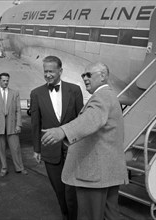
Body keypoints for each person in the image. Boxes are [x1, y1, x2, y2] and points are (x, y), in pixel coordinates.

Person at [41, 62, 129, 220]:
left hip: (94, 174)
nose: (85, 78)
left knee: (89, 215)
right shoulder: (109, 95)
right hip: (107, 171)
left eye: (89, 75)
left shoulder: (102, 96)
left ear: (102, 76)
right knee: (110, 214)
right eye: (83, 75)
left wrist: (63, 130)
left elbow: (91, 119)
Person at [30, 56, 84, 220]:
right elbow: (35, 124)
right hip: (50, 150)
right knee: (59, 191)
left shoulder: (74, 90)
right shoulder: (36, 93)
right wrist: (36, 149)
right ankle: (65, 215)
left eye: (51, 71)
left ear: (60, 71)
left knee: (71, 191)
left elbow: (81, 121)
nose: (47, 75)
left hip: (72, 149)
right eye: (45, 71)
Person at [0, 72, 28, 177]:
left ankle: (20, 167)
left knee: (15, 147)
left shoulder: (15, 93)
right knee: (1, 148)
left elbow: (18, 111)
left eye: (7, 80)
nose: (6, 82)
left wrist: (18, 125)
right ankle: (4, 168)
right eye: (3, 80)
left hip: (12, 124)